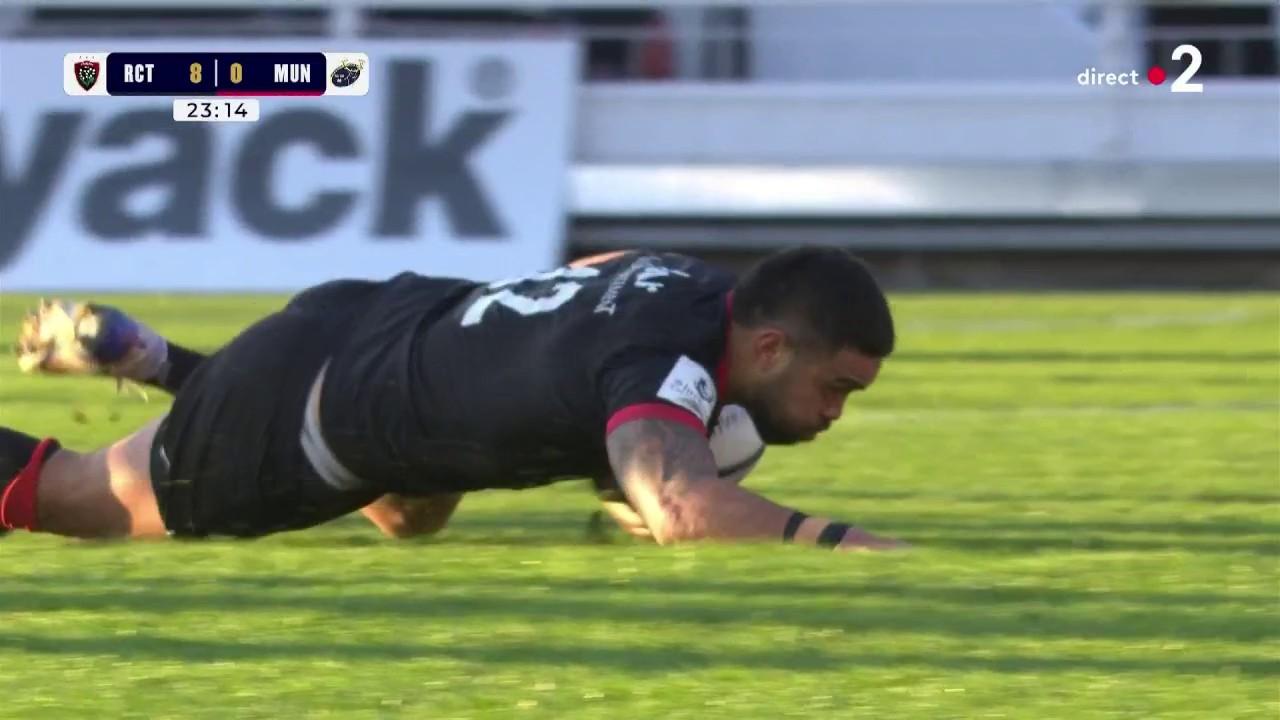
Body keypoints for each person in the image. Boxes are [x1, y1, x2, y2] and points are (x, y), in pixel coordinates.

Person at [2, 246, 902, 551]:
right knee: (65, 494)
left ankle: (155, 359)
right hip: (317, 417)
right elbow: (675, 504)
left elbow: (592, 276)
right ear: (772, 347)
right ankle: (180, 382)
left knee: (409, 512)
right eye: (834, 389)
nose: (834, 414)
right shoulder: (665, 370)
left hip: (369, 319)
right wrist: (843, 541)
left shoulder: (687, 280)